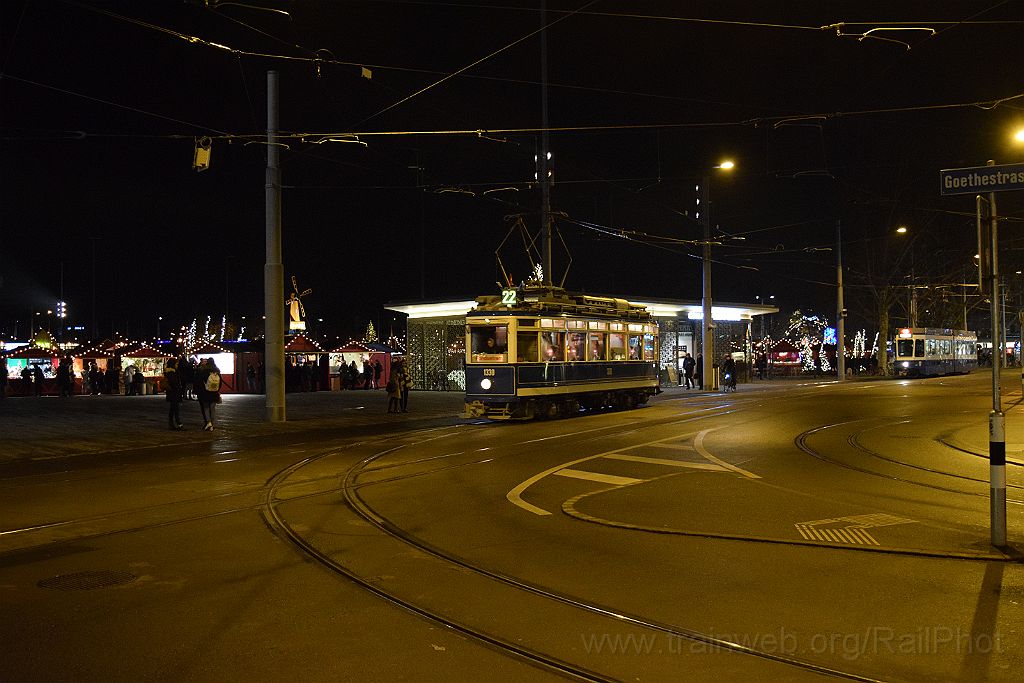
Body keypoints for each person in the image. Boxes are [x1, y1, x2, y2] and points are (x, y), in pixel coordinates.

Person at [196, 357, 222, 431]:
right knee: (212, 409)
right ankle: (212, 424)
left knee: (206, 408)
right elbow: (220, 383)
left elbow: (200, 382)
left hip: (206, 392)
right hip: (214, 392)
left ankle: (209, 422)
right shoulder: (217, 371)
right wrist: (217, 389)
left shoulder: (204, 371)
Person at [164, 357, 184, 430]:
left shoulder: (171, 372)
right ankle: (178, 423)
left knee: (173, 409)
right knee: (176, 409)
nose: (177, 365)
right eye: (176, 364)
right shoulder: (172, 373)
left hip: (172, 393)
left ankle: (171, 423)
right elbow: (174, 383)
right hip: (174, 393)